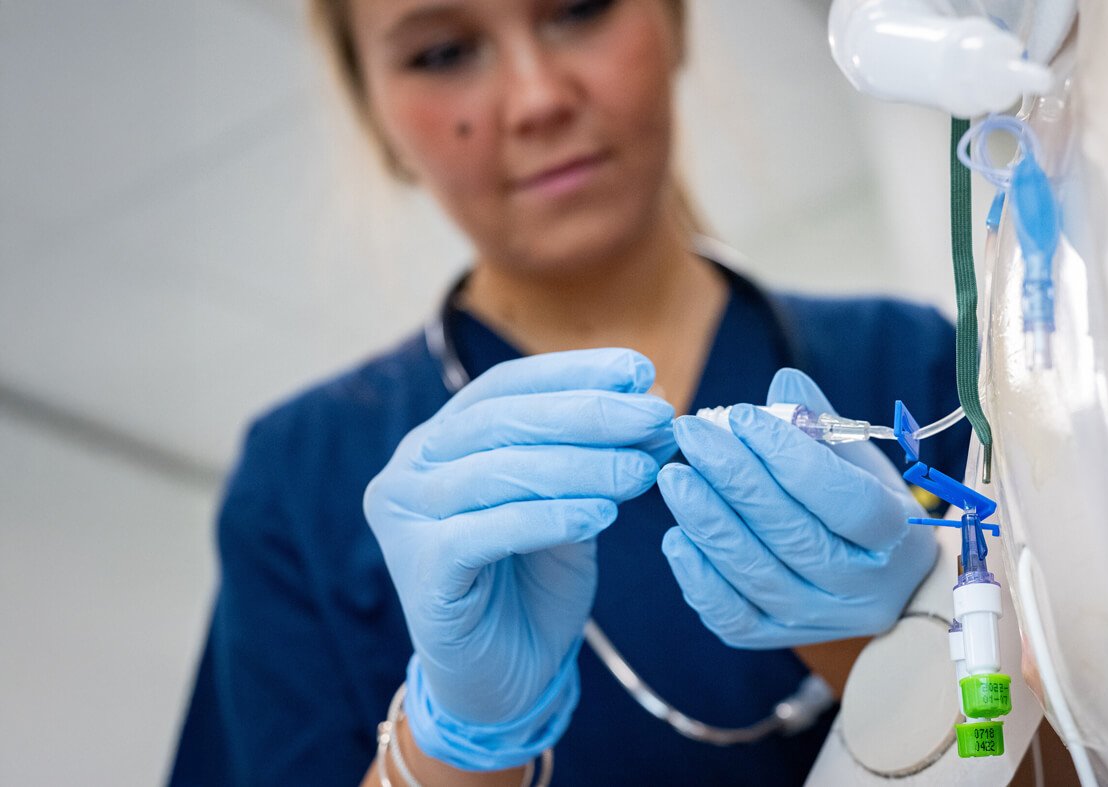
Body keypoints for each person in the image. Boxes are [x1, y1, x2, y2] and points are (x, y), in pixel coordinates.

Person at [169, 1, 968, 784]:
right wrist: (456, 747)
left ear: (675, 23)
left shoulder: (922, 367)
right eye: (443, 53)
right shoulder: (301, 479)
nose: (539, 97)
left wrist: (910, 650)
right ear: (379, 120)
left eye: (580, 9)